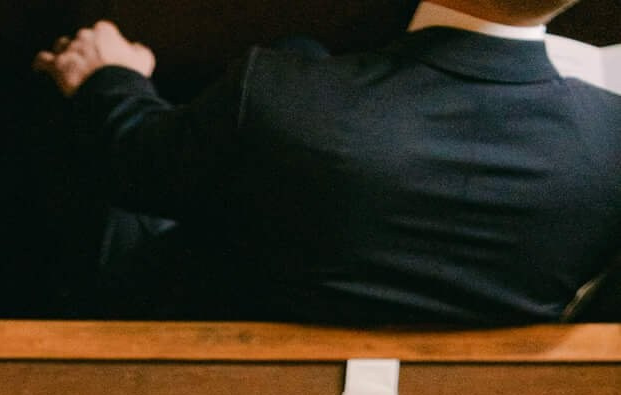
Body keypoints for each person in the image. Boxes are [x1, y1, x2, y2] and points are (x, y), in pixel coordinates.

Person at [38, 6, 621, 328]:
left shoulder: (278, 96)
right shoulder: (609, 141)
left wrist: (109, 75)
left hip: (203, 339)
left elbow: (135, 161)